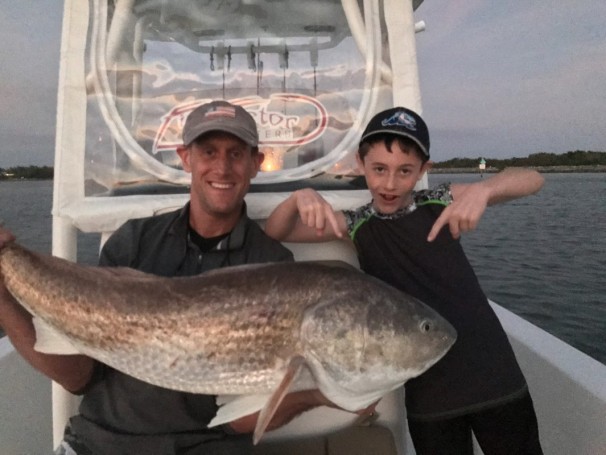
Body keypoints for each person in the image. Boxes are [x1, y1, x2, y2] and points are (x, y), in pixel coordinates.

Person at [0, 100, 349, 455]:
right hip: (99, 444)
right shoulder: (133, 241)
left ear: (255, 164)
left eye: (236, 153)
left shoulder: (274, 267)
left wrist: (328, 393)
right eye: (209, 151)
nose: (222, 167)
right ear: (186, 158)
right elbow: (79, 377)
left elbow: (237, 420)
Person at [265, 106, 545, 454]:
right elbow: (277, 231)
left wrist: (484, 190)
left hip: (495, 375)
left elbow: (533, 178)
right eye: (379, 169)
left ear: (423, 171)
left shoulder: (440, 201)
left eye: (405, 171)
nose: (390, 183)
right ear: (361, 164)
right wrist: (298, 198)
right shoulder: (356, 225)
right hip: (429, 394)